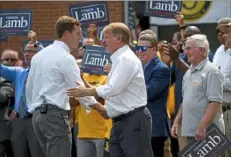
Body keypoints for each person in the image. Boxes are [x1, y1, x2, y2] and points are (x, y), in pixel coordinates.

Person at [66, 22, 154, 157]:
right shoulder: (120, 59)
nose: (103, 41)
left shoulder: (126, 59)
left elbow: (113, 89)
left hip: (133, 121)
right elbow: (114, 92)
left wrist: (87, 91)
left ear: (119, 39)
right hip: (120, 121)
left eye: (106, 37)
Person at [26, 16, 105, 157]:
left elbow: (29, 88)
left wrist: (34, 108)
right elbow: (79, 90)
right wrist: (100, 108)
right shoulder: (66, 58)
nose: (80, 37)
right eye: (78, 33)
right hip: (54, 116)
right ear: (66, 34)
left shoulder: (39, 56)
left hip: (38, 118)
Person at [171, 34, 225, 148]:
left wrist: (202, 126)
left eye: (188, 48)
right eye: (185, 49)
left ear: (201, 50)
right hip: (190, 133)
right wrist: (177, 121)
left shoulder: (212, 71)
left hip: (207, 134)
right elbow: (185, 101)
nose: (185, 52)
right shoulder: (188, 72)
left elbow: (215, 102)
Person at [0, 44, 44, 157]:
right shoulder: (18, 72)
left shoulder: (43, 72)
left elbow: (48, 57)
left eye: (31, 51)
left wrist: (37, 44)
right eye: (25, 51)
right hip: (18, 120)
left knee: (37, 153)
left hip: (34, 119)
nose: (27, 53)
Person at [136, 31, 170, 157]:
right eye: (138, 48)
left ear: (154, 49)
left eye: (143, 48)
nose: (139, 51)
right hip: (140, 126)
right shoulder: (140, 66)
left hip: (154, 127)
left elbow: (149, 93)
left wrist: (129, 86)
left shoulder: (161, 69)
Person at [0, 49, 18, 157]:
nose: (9, 62)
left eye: (12, 59)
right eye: (6, 59)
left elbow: (2, 96)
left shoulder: (5, 80)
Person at [219, 21, 231, 157]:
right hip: (222, 111)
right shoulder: (223, 53)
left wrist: (216, 78)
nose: (224, 36)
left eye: (227, 33)